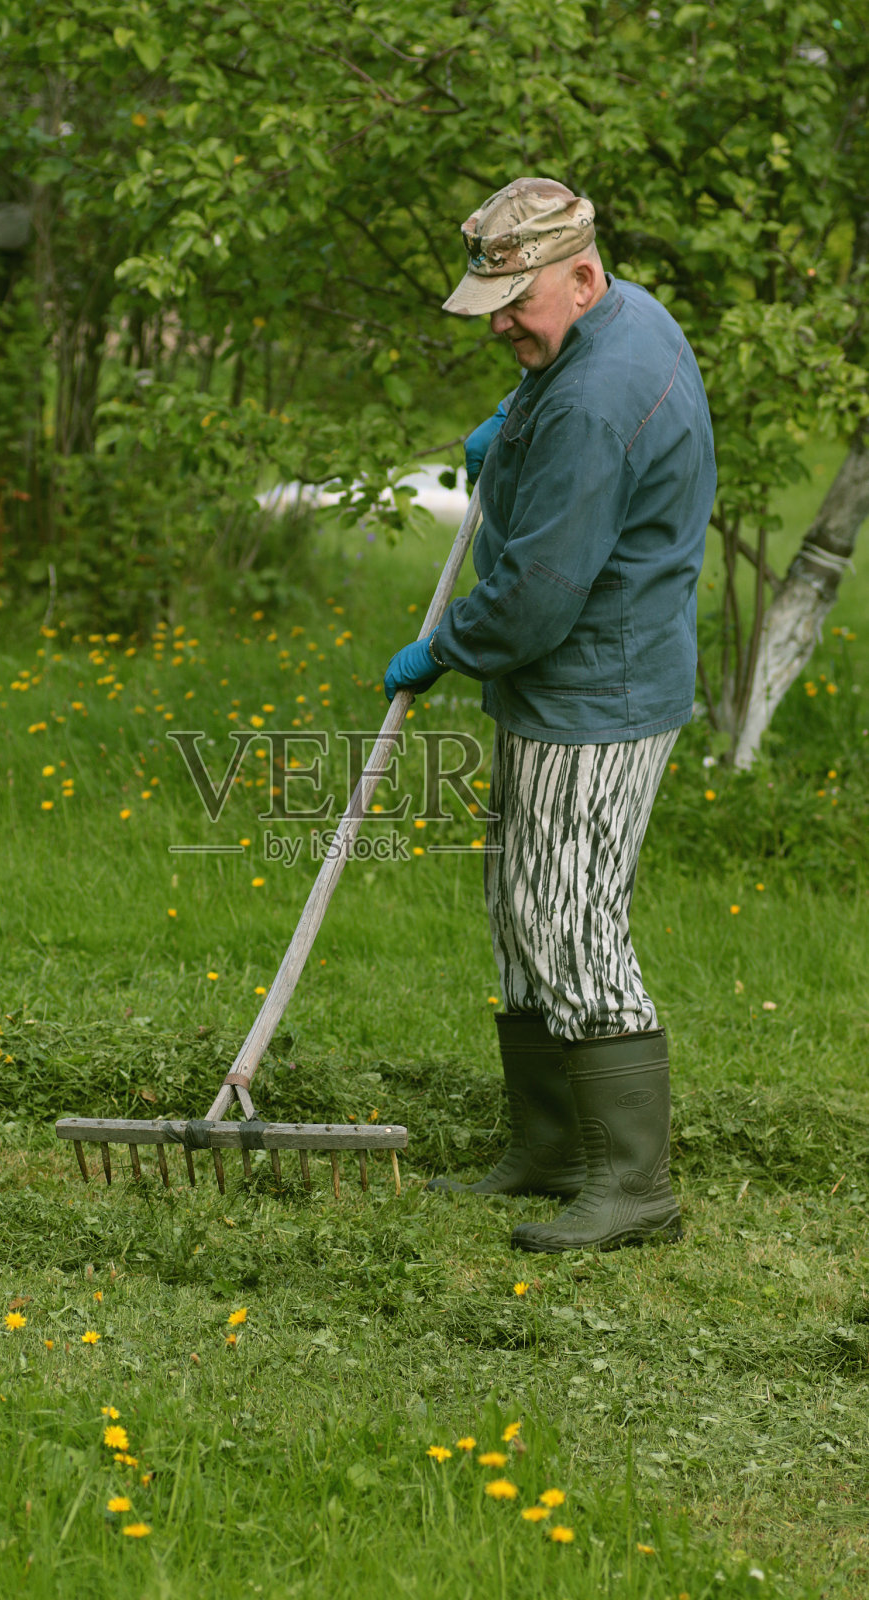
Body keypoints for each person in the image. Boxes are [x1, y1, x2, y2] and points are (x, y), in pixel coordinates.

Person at [384, 177, 716, 1253]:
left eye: (514, 304)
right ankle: (545, 1148)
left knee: (571, 922)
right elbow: (558, 394)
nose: (502, 328)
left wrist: (444, 649)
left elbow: (532, 597)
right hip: (569, 685)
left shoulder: (590, 398)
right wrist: (509, 429)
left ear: (576, 274)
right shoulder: (618, 314)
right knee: (522, 910)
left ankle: (630, 1186)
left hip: (594, 696)